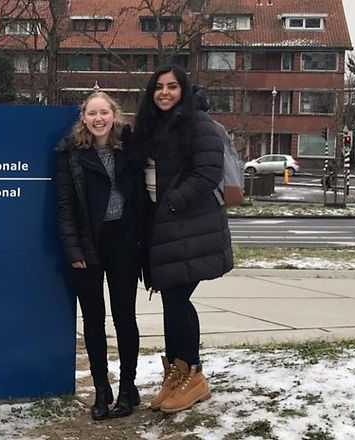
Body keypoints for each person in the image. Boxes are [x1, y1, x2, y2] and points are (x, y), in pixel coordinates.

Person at [132, 66, 233, 414]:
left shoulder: (198, 123)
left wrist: (172, 203)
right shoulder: (151, 126)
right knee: (171, 302)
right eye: (158, 87)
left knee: (177, 300)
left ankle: (193, 374)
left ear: (183, 90)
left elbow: (208, 173)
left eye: (172, 87)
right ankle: (177, 371)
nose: (164, 92)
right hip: (164, 230)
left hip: (188, 226)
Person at [55, 92, 143, 420]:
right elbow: (65, 208)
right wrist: (74, 250)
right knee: (93, 321)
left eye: (104, 112)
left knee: (125, 318)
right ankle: (101, 390)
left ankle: (127, 389)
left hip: (124, 242)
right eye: (92, 113)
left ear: (114, 115)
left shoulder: (128, 149)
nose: (98, 118)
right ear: (84, 118)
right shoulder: (70, 153)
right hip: (88, 245)